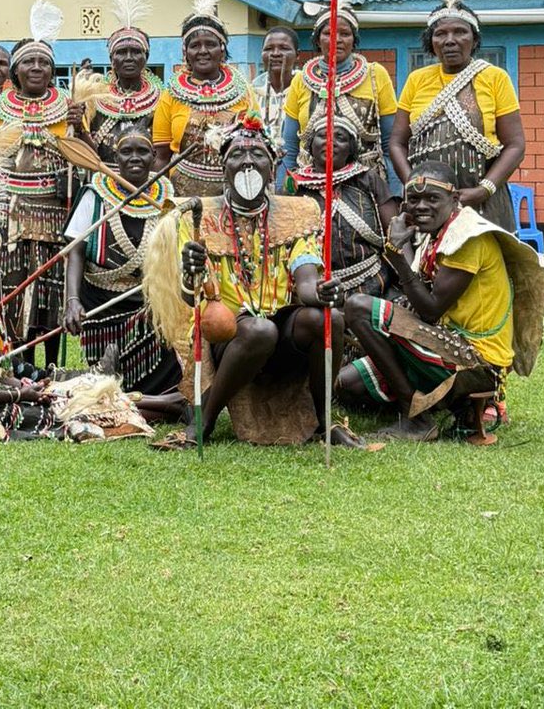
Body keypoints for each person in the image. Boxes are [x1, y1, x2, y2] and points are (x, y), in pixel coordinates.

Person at [146, 111, 362, 449]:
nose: (248, 162)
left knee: (329, 318)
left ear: (272, 165)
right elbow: (191, 297)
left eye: (258, 154)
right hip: (229, 335)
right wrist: (191, 270)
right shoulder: (198, 214)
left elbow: (305, 282)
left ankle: (325, 422)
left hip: (281, 331)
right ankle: (205, 421)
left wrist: (320, 292)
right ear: (223, 167)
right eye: (237, 155)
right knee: (260, 330)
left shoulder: (298, 213)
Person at [337, 161, 544, 440]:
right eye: (413, 199)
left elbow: (430, 309)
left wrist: (396, 251)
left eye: (432, 198)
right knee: (346, 384)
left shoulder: (469, 238)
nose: (421, 206)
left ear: (455, 199)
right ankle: (439, 403)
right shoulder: (439, 232)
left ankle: (415, 417)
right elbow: (417, 288)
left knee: (358, 308)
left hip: (476, 362)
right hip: (446, 344)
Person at [0, 214, 154, 442]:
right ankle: (162, 406)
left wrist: (19, 386)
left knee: (57, 401)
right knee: (63, 415)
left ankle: (164, 404)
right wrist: (18, 395)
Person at [0, 0, 85, 367]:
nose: (36, 67)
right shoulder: (0, 109)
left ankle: (52, 361)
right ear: (16, 70)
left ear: (51, 68)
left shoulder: (68, 104)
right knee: (15, 284)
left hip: (54, 211)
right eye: (28, 61)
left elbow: (85, 157)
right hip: (12, 212)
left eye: (43, 62)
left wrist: (81, 126)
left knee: (51, 290)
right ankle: (20, 358)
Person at [63, 129, 187, 420]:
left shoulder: (166, 194)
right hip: (100, 299)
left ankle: (152, 402)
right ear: (114, 158)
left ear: (154, 157)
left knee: (162, 373)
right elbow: (76, 249)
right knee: (108, 375)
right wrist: (72, 299)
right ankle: (132, 400)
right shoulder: (96, 192)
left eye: (142, 152)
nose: (134, 159)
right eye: (126, 152)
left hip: (148, 299)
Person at [390, 2, 523, 233]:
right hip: (426, 206)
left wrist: (484, 190)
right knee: (427, 267)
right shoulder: (417, 80)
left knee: (485, 265)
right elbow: (396, 143)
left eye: (460, 32)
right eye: (441, 33)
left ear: (474, 39)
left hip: (482, 203)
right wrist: (414, 187)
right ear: (431, 41)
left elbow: (516, 145)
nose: (450, 40)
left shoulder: (494, 78)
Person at [280, 0, 399, 192]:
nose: (336, 40)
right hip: (309, 184)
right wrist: (284, 193)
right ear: (317, 39)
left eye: (344, 34)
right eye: (328, 33)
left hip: (366, 184)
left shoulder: (376, 75)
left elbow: (391, 143)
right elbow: (289, 146)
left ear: (354, 40)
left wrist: (395, 195)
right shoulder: (301, 80)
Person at [153, 0, 256, 196]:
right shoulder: (171, 94)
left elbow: (255, 140)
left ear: (222, 49)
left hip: (233, 191)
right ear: (185, 52)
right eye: (194, 45)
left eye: (210, 44)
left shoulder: (243, 90)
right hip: (182, 193)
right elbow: (161, 156)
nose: (202, 51)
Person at [289, 117, 398, 298]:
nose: (330, 142)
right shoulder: (294, 186)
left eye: (340, 137)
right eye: (322, 136)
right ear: (310, 145)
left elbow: (394, 234)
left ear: (351, 148)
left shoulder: (368, 179)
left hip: (373, 283)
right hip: (315, 292)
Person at [82, 0, 161, 165]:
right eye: (121, 52)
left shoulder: (162, 99)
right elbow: (83, 148)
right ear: (111, 59)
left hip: (149, 183)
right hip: (101, 180)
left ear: (146, 58)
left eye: (135, 51)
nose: (128, 58)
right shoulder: (93, 97)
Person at [252, 25, 299, 159]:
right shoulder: (251, 94)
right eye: (268, 49)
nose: (275, 53)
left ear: (297, 55)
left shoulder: (307, 92)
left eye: (284, 48)